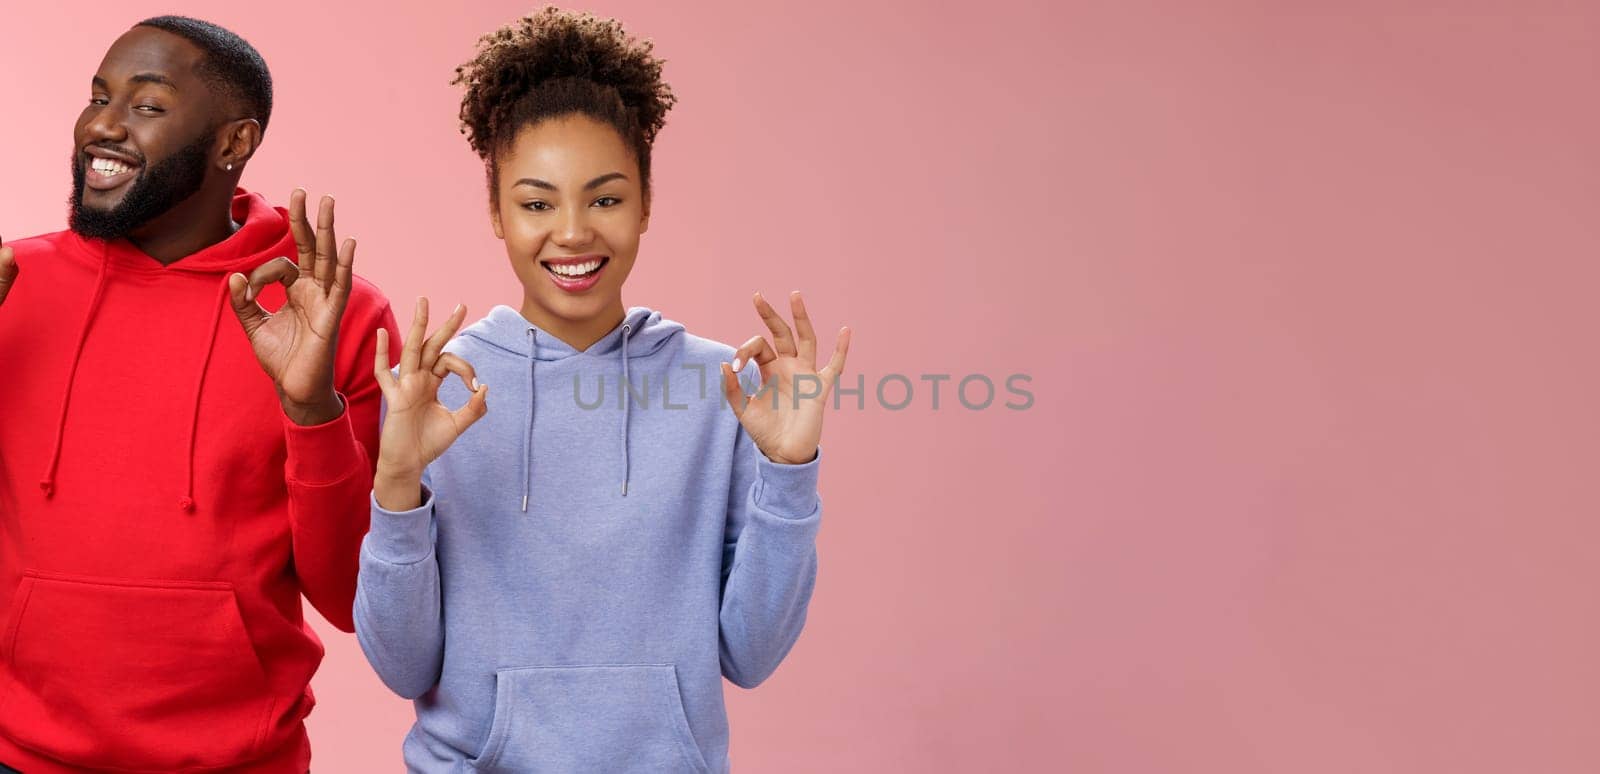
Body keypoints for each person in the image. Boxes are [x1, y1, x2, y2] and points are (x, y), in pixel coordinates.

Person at [353, 7, 851, 772]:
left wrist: (789, 477)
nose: (574, 232)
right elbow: (402, 668)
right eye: (536, 202)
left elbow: (750, 655)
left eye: (606, 199)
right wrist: (396, 486)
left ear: (646, 203)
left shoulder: (719, 387)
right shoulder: (440, 392)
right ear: (497, 212)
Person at [0, 16, 396, 773]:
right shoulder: (13, 283)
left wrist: (313, 412)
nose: (102, 127)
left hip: (238, 761)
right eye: (98, 97)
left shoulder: (326, 311)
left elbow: (354, 598)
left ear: (232, 145)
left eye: (146, 106)